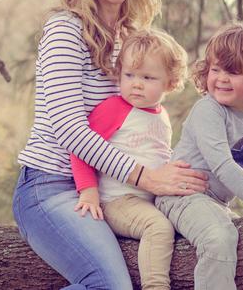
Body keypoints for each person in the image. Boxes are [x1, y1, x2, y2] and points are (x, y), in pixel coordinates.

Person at [12, 0, 209, 288]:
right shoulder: (65, 29)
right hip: (51, 186)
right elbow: (68, 128)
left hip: (112, 194)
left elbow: (138, 124)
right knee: (109, 285)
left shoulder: (131, 39)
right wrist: (146, 177)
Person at [155, 22, 243, 290]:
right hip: (180, 196)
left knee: (240, 239)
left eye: (233, 72)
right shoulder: (208, 111)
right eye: (215, 69)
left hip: (214, 203)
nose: (221, 78)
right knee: (219, 237)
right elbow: (222, 165)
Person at [70, 29, 188, 290]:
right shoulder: (114, 108)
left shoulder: (162, 116)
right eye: (129, 75)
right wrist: (88, 192)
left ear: (170, 82)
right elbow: (80, 148)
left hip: (150, 199)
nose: (136, 83)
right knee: (158, 228)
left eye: (147, 77)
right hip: (118, 201)